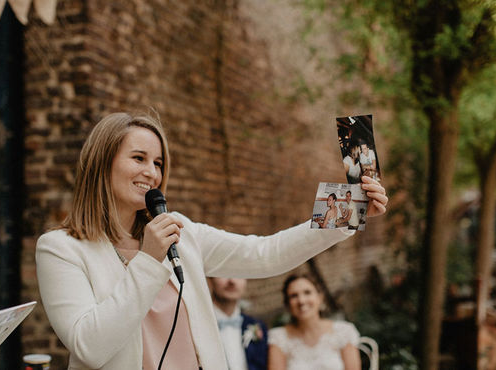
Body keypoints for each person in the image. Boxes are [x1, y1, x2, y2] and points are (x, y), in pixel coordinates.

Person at [35, 112, 388, 369]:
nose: (152, 173)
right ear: (102, 163)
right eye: (138, 158)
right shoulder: (61, 249)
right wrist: (148, 261)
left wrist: (350, 211)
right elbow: (89, 347)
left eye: (158, 163)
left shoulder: (180, 232)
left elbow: (266, 253)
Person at [268, 274, 361, 370]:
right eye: (294, 296)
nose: (301, 301)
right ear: (287, 304)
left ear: (320, 297)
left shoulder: (343, 331)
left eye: (307, 292)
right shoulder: (278, 338)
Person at [208, 277, 268, 370]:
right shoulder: (198, 326)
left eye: (238, 274)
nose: (232, 281)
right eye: (223, 273)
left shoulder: (257, 326)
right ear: (210, 279)